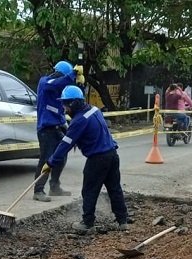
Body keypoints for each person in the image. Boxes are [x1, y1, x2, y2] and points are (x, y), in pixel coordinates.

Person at [45, 85, 129, 232]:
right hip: (112, 155)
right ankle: (122, 221)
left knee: (89, 190)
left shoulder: (79, 121)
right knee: (115, 189)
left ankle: (87, 223)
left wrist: (51, 162)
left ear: (73, 103)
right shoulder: (94, 110)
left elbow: (65, 144)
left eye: (65, 104)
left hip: (97, 159)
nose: (64, 108)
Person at [32, 60, 81, 202]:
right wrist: (73, 74)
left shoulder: (59, 89)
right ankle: (38, 190)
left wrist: (79, 83)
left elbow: (71, 98)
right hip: (46, 129)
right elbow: (59, 83)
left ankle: (54, 186)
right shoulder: (45, 82)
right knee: (46, 159)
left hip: (59, 126)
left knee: (61, 157)